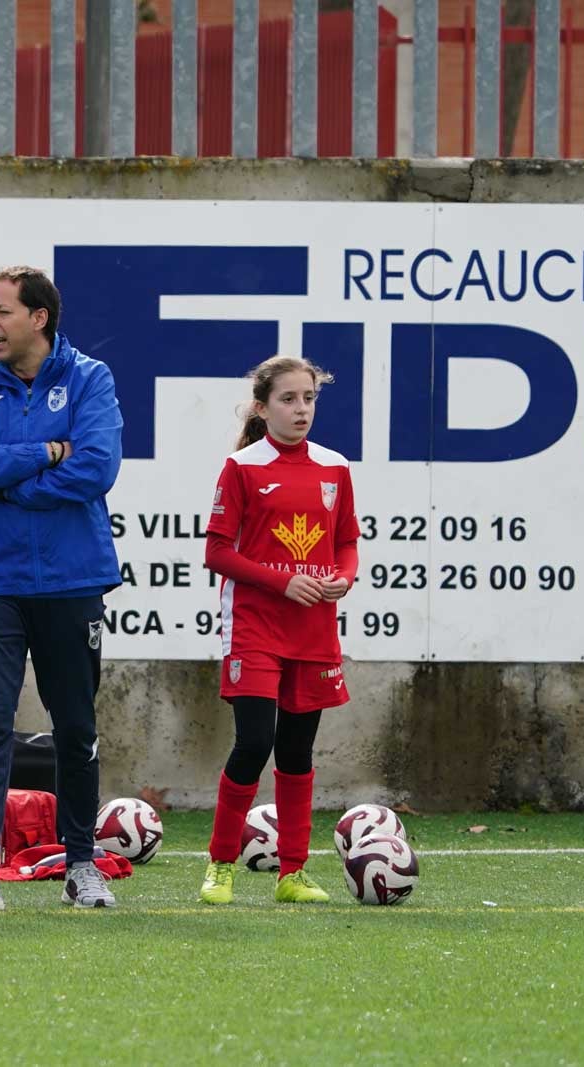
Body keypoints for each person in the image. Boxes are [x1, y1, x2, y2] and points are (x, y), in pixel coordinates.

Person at [0, 266, 123, 913]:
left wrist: (4, 475)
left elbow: (96, 468)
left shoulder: (90, 378)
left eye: (1, 311)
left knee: (76, 726)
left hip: (71, 581)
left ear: (39, 317)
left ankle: (81, 866)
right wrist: (46, 452)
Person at [198, 355, 359, 906]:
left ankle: (293, 873)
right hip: (255, 626)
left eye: (309, 398)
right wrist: (282, 582)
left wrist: (343, 578)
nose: (301, 409)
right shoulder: (241, 467)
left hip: (313, 630)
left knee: (297, 750)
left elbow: (347, 543)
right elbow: (217, 552)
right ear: (263, 408)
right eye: (289, 400)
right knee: (254, 742)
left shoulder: (335, 468)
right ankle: (220, 866)